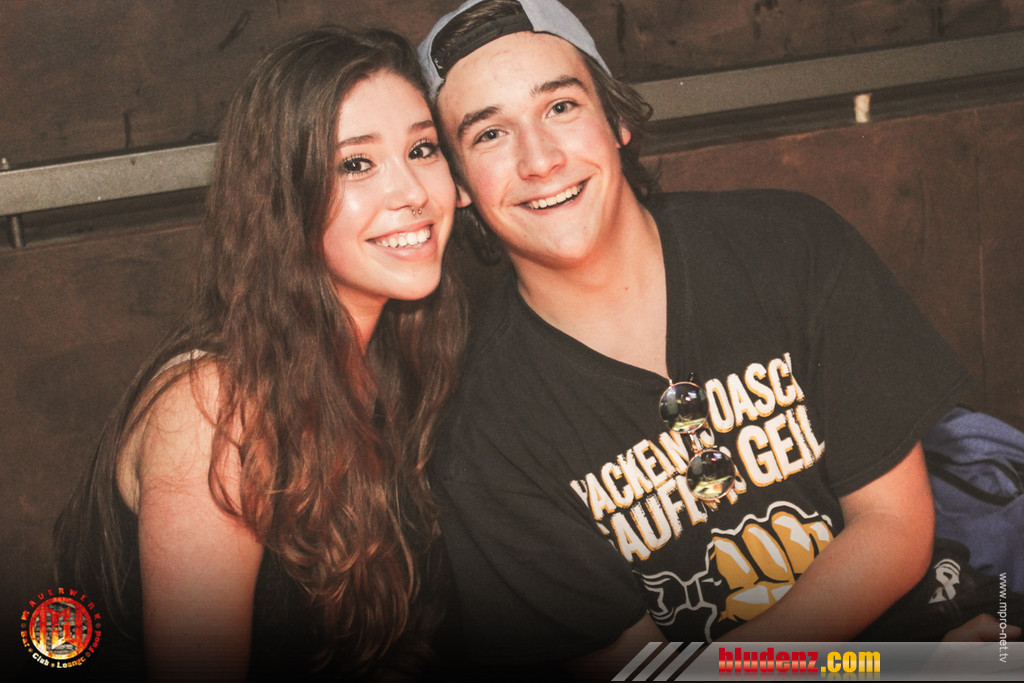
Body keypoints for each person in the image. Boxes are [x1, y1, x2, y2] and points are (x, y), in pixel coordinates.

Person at [416, 0, 1008, 676]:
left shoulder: (792, 244)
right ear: (457, 184)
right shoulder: (482, 431)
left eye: (561, 107)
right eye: (490, 134)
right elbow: (623, 665)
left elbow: (893, 527)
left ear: (616, 121)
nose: (540, 159)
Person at [54, 27, 465, 680]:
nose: (412, 191)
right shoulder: (213, 405)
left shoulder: (395, 359)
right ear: (283, 198)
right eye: (355, 164)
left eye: (422, 149)